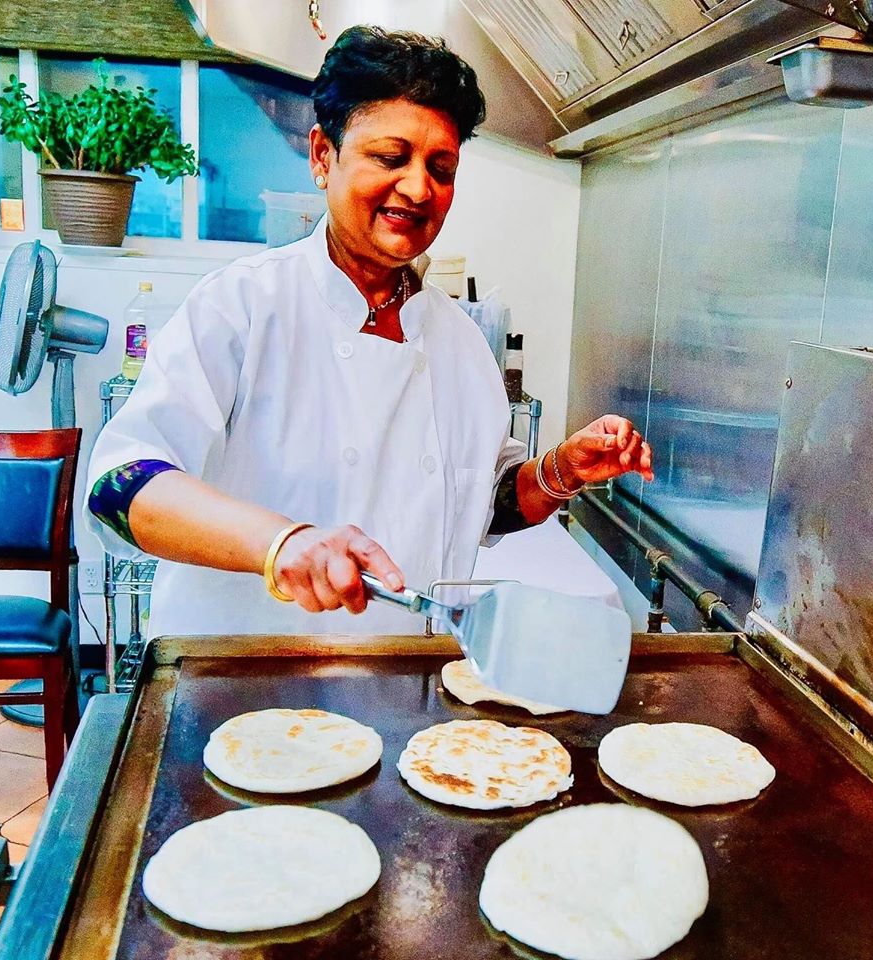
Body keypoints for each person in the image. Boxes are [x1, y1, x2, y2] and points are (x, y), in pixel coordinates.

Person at [84, 25, 653, 639]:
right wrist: (282, 544)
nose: (418, 187)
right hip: (245, 678)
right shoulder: (242, 306)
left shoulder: (461, 343)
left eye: (441, 168)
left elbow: (484, 502)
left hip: (405, 678)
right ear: (322, 156)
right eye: (389, 157)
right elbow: (120, 488)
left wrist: (562, 469)